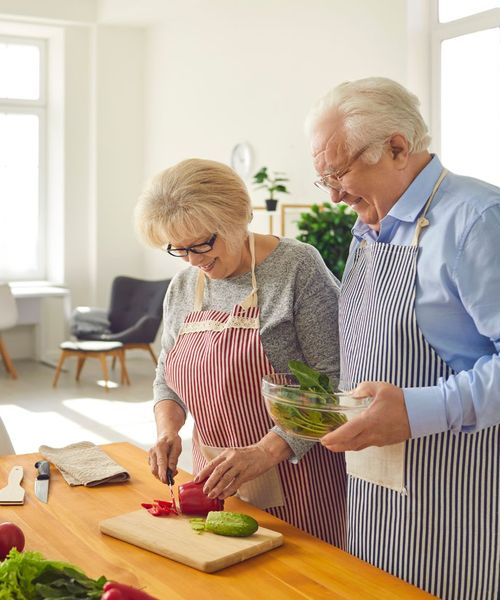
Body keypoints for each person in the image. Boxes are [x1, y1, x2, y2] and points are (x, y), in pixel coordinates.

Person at [305, 77, 500, 600]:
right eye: (324, 180)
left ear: (396, 148)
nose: (336, 195)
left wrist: (417, 410)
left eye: (339, 172)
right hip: (379, 480)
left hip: (473, 476)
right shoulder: (373, 225)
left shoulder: (479, 218)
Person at [134, 158, 347, 547]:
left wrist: (264, 452)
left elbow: (333, 384)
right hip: (215, 484)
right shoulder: (183, 287)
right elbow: (168, 377)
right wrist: (168, 430)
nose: (194, 261)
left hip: (299, 482)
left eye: (202, 244)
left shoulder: (297, 268)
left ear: (238, 217)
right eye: (178, 250)